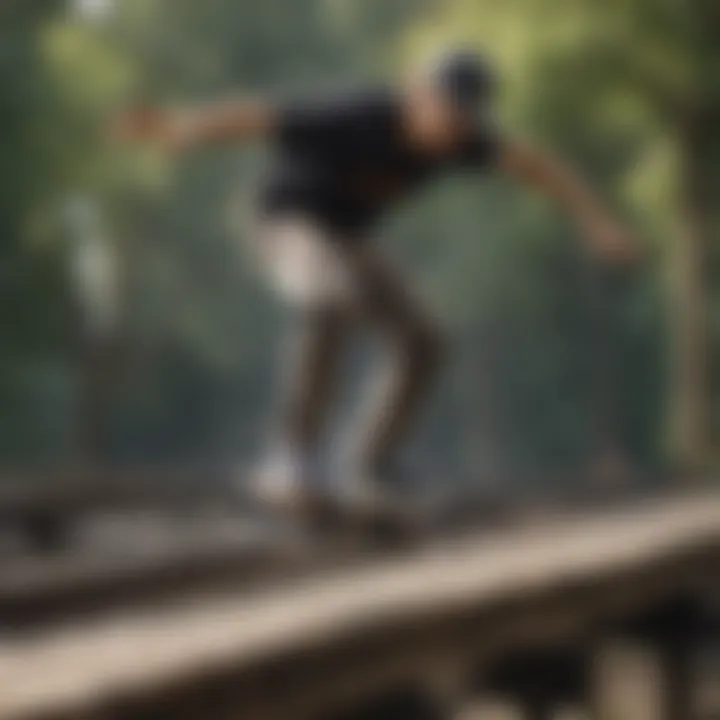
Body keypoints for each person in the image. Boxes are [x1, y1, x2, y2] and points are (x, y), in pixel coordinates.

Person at [115, 50, 636, 515]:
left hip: (350, 237)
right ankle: (290, 458)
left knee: (426, 342)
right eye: (446, 113)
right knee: (328, 297)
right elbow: (261, 116)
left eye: (463, 121)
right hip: (286, 222)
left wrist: (596, 223)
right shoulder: (358, 116)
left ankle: (371, 464)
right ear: (416, 94)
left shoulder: (460, 143)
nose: (450, 132)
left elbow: (537, 165)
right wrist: (185, 128)